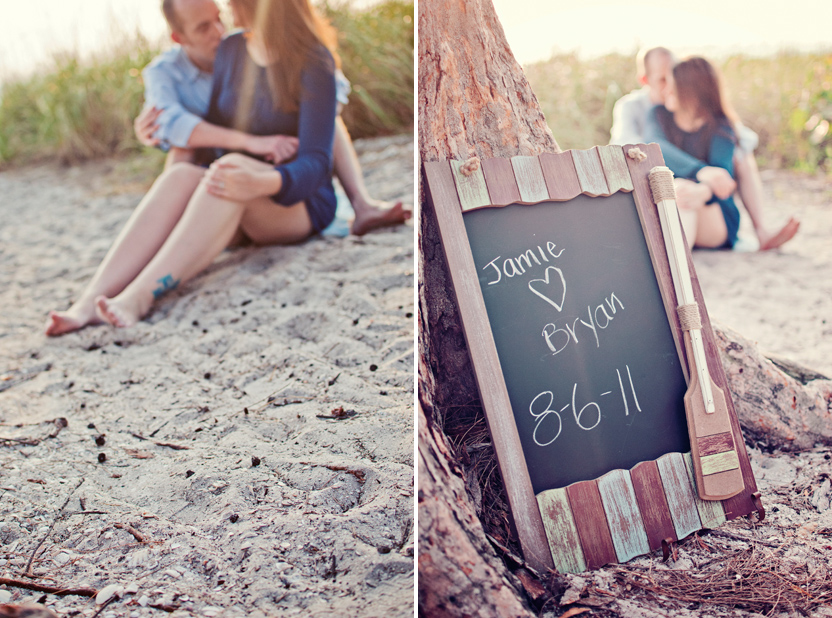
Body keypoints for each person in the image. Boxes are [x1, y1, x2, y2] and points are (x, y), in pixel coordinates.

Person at [45, 0, 342, 336]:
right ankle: (86, 304)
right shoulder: (232, 49)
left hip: (296, 203)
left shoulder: (313, 60)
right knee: (183, 175)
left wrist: (263, 182)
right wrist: (156, 138)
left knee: (227, 168)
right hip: (237, 194)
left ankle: (138, 298)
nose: (227, 7)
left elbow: (317, 163)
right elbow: (216, 130)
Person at [135, 0, 409, 236]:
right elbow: (171, 125)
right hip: (222, 155)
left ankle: (361, 202)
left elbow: (330, 94)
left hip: (275, 162)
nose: (218, 31)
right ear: (179, 38)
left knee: (324, 120)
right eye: (203, 28)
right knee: (183, 147)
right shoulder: (166, 72)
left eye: (218, 18)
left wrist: (298, 109)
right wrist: (254, 142)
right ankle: (170, 223)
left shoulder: (246, 47)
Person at [611, 47, 799, 251]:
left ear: (689, 89)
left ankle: (678, 266)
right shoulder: (649, 111)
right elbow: (649, 147)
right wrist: (700, 172)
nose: (666, 90)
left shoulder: (719, 125)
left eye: (671, 82)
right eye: (661, 81)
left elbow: (725, 172)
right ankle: (674, 265)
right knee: (682, 192)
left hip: (711, 206)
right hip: (672, 191)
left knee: (688, 192)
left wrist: (702, 190)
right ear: (645, 80)